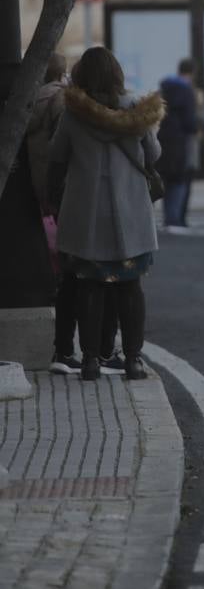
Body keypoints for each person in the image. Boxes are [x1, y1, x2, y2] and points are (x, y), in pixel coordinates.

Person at [48, 46, 165, 381]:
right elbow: (152, 155)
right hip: (131, 215)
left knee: (90, 287)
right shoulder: (137, 112)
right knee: (130, 287)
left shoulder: (74, 114)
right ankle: (133, 360)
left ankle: (89, 361)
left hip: (86, 215)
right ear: (117, 74)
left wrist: (53, 199)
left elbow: (57, 157)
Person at [26, 53, 83, 375]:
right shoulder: (60, 100)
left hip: (38, 189)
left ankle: (65, 347)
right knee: (75, 271)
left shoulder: (28, 100)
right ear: (62, 74)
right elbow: (65, 149)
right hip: (62, 191)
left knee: (64, 269)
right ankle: (71, 348)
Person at [158, 59, 199, 232]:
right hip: (180, 141)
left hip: (163, 138)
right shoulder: (187, 91)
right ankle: (176, 219)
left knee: (166, 180)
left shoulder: (164, 89)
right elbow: (190, 123)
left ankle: (168, 218)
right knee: (180, 180)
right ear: (192, 72)